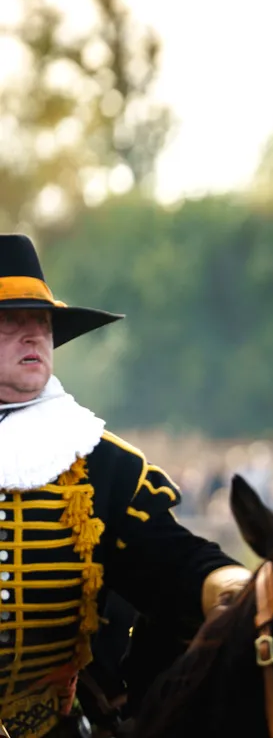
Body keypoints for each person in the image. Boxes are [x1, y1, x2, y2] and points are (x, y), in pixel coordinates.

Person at [0, 234, 251, 738]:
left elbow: (167, 562)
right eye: (11, 321)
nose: (34, 335)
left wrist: (229, 585)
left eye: (43, 322)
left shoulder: (99, 460)